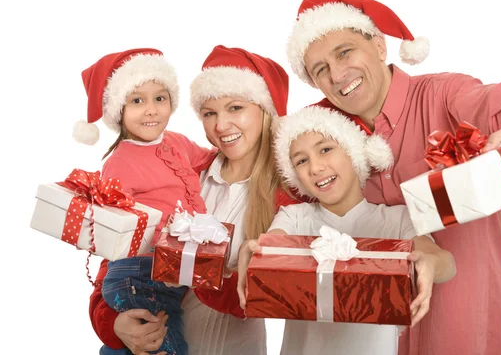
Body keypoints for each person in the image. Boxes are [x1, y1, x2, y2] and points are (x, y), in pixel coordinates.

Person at [285, 0, 501, 354]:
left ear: (380, 46)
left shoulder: (445, 94)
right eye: (320, 69)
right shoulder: (325, 136)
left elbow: (500, 100)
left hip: (469, 329)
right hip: (373, 338)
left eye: (344, 52)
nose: (337, 75)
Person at [88, 45, 296, 355]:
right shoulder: (185, 171)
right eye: (209, 113)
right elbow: (117, 258)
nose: (220, 126)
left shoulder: (288, 195)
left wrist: (190, 268)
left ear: (265, 110)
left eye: (235, 108)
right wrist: (114, 325)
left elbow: (270, 298)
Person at [236, 105, 456, 355]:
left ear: (353, 153)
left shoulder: (395, 220)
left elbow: (443, 260)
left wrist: (429, 263)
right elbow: (272, 244)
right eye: (301, 160)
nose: (315, 167)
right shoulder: (295, 218)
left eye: (326, 149)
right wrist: (255, 249)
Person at [74, 48, 216, 355]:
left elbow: (210, 158)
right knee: (164, 344)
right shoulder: (120, 162)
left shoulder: (176, 142)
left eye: (159, 98)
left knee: (153, 341)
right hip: (138, 271)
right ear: (119, 110)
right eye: (137, 100)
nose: (151, 110)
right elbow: (112, 226)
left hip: (165, 273)